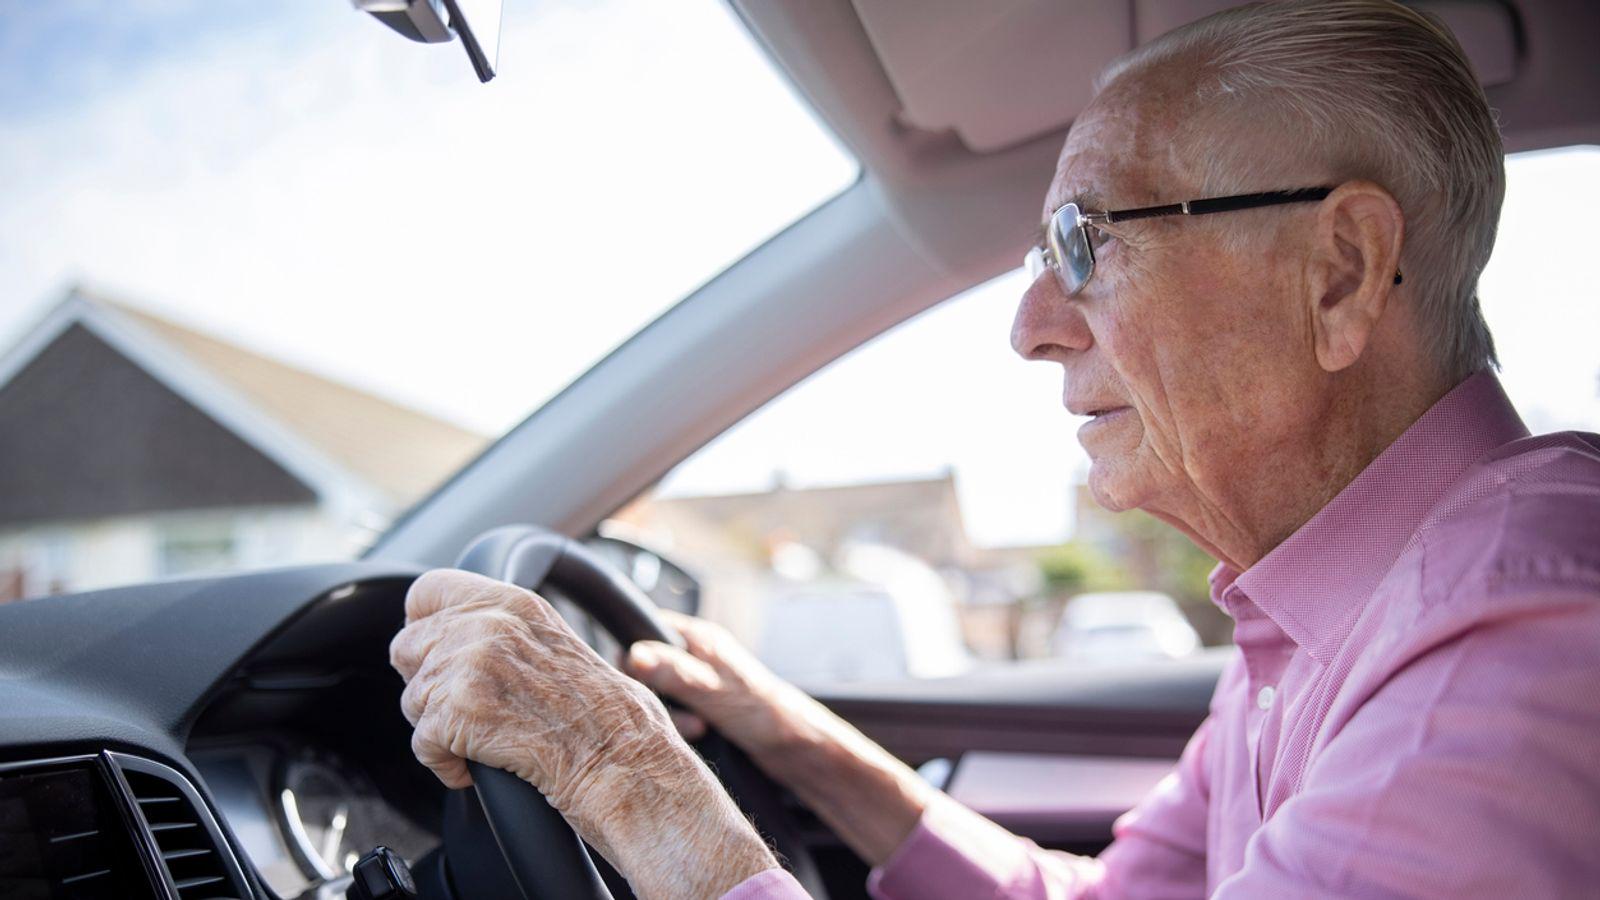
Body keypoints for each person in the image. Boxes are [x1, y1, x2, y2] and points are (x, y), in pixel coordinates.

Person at [386, 1, 1600, 896]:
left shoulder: (1509, 644)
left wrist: (625, 774)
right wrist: (790, 734)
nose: (1030, 327)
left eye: (1085, 242)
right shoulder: (1330, 614)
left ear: (1336, 274)